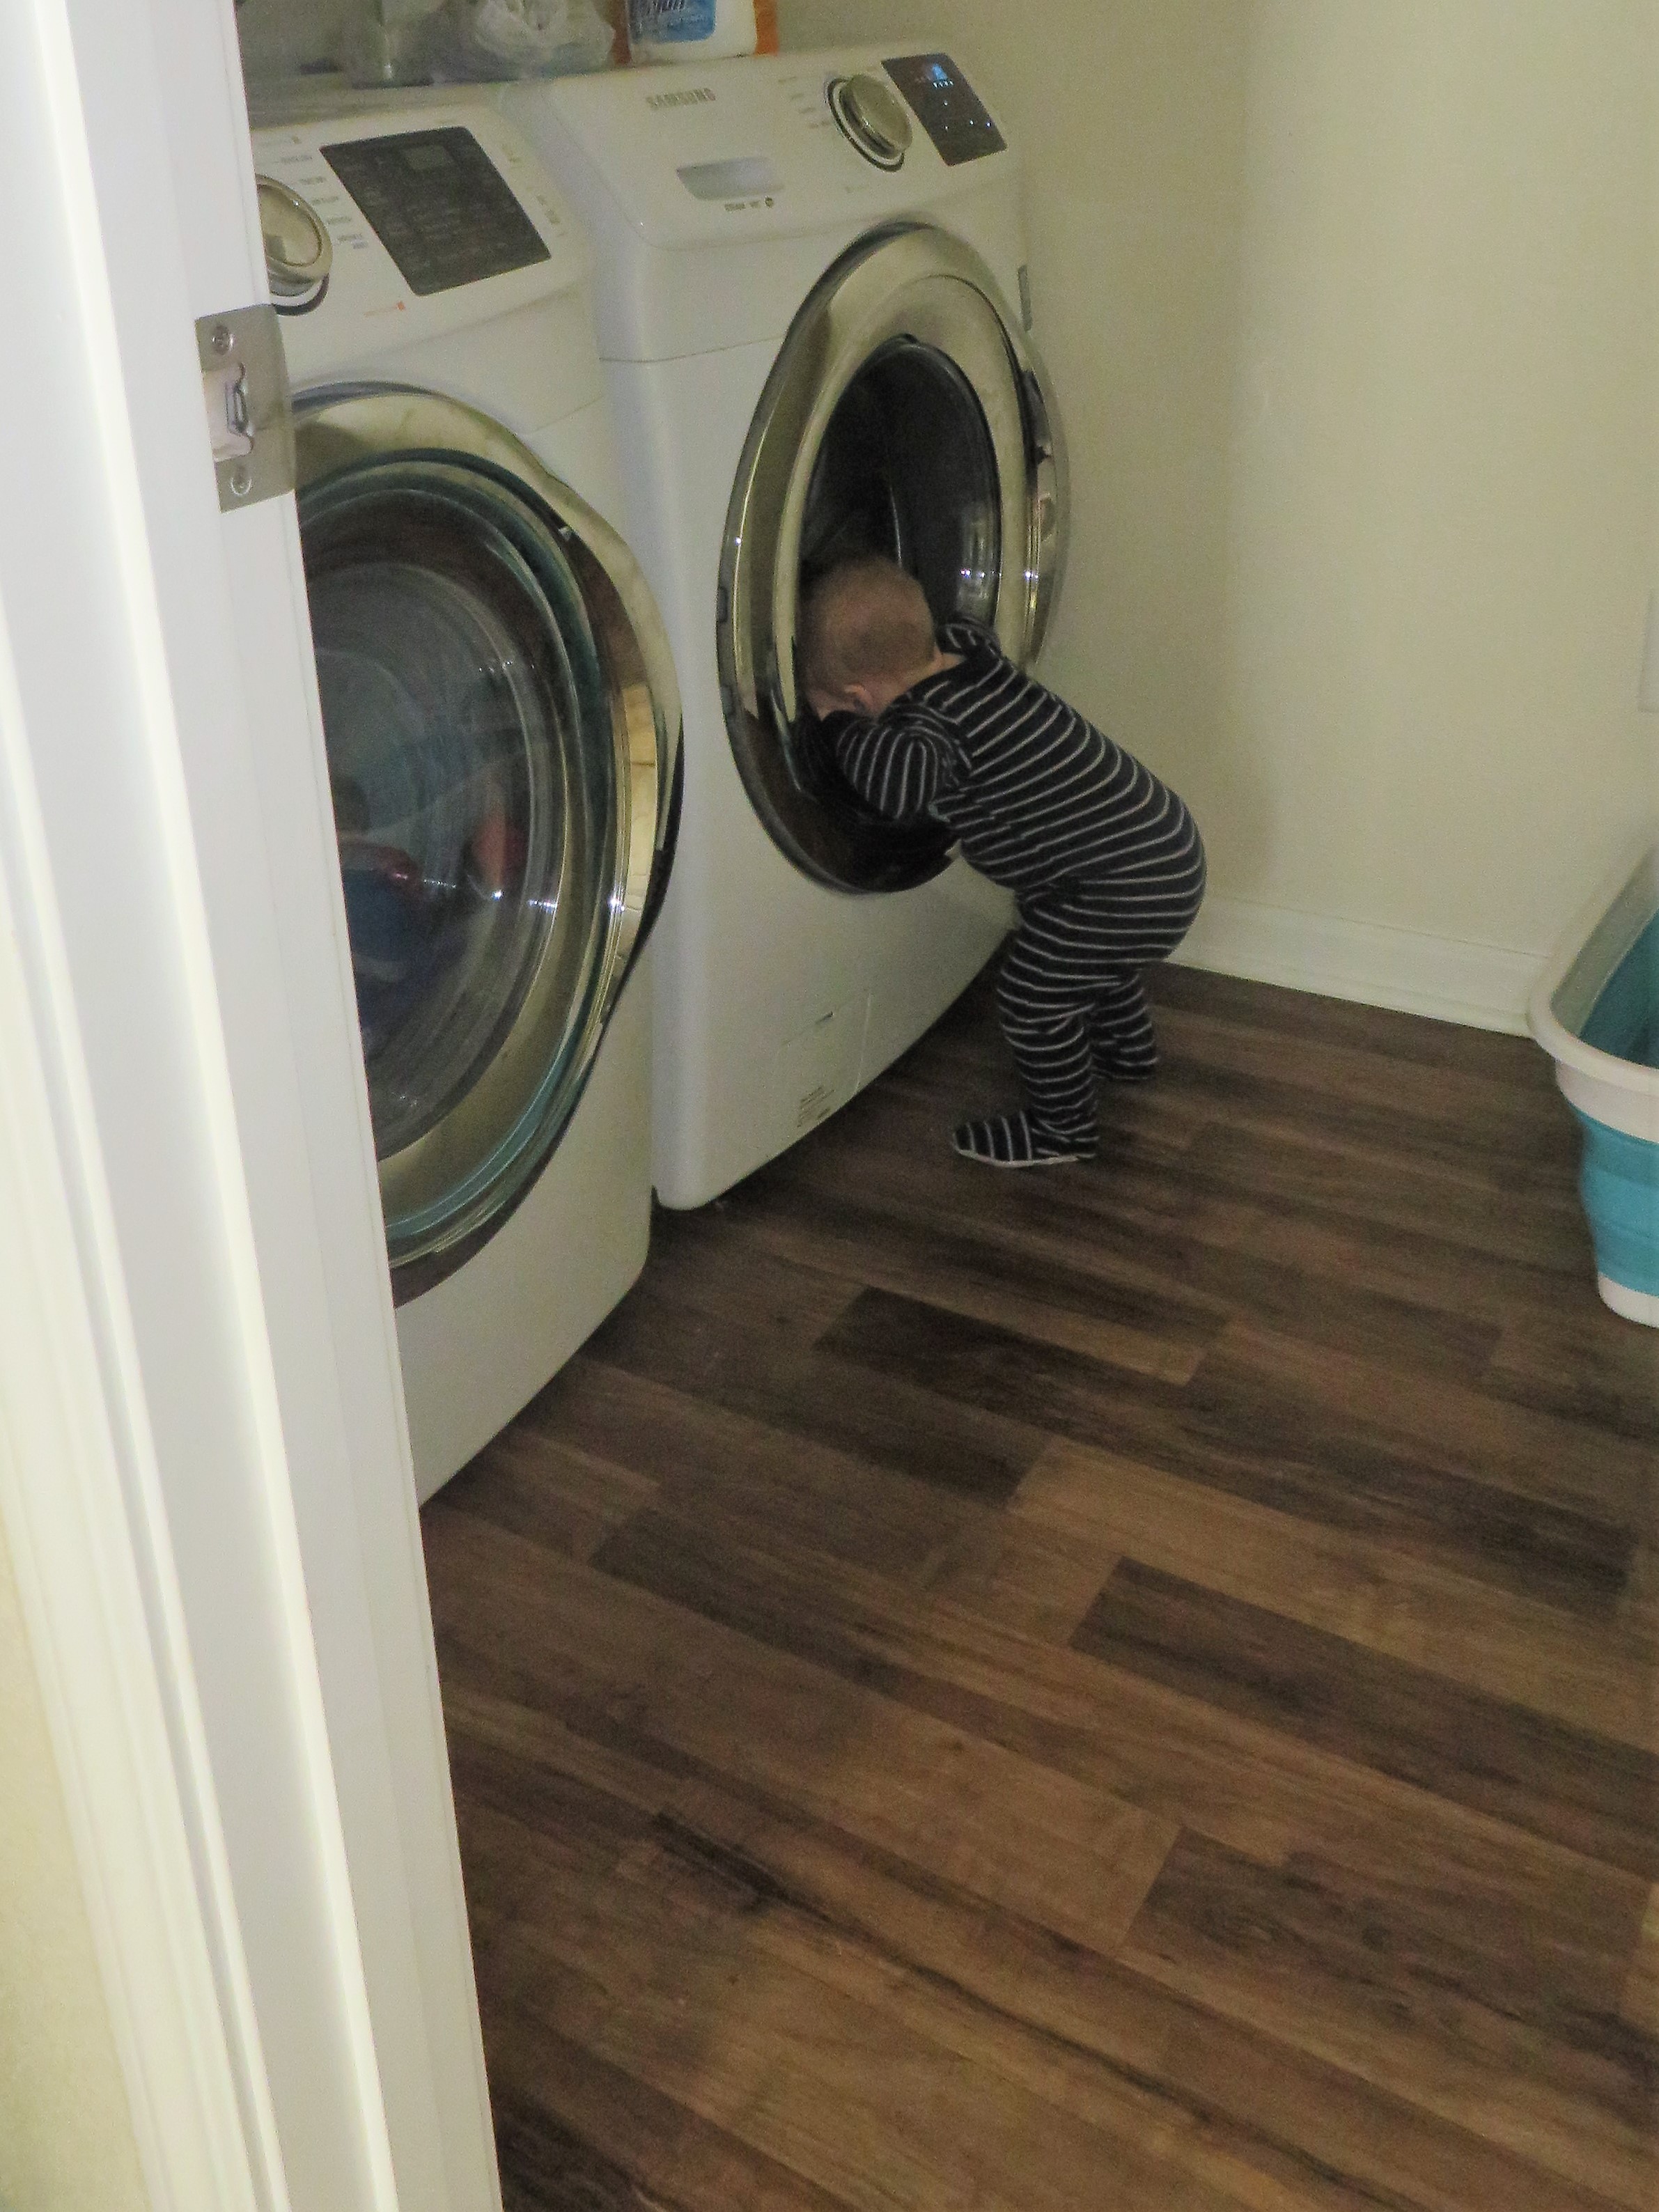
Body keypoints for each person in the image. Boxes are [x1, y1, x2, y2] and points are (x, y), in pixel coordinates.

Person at [801, 555, 1205, 1168]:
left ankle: (1063, 1130)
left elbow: (898, 789)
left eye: (852, 704)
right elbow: (960, 627)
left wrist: (836, 724)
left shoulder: (931, 726)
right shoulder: (970, 651)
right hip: (1159, 848)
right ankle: (1127, 1052)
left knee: (1031, 997)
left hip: (1120, 885)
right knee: (1084, 954)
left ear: (862, 697)